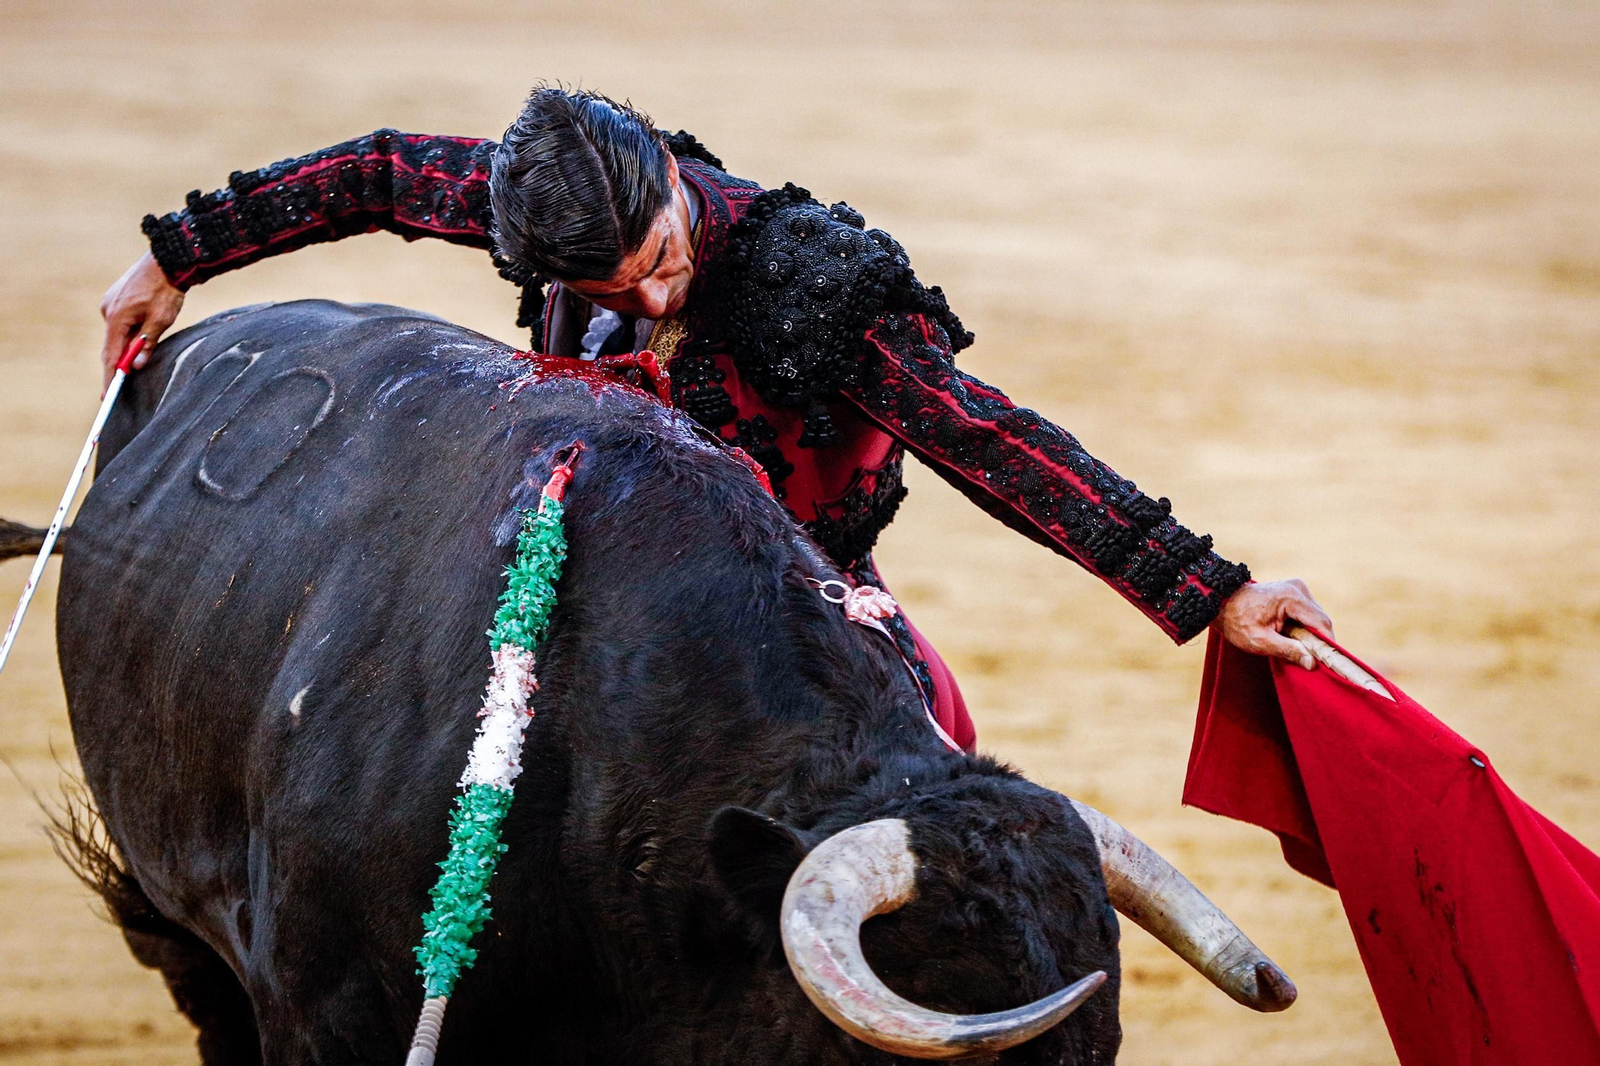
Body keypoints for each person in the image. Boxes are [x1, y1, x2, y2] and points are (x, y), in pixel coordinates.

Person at [99, 86, 1332, 750]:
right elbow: (371, 174)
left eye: (660, 257)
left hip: (788, 592)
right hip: (579, 559)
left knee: (931, 775)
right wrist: (179, 255)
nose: (648, 295)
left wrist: (1208, 589)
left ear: (674, 191)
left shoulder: (816, 285)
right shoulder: (550, 200)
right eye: (607, 290)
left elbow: (987, 438)